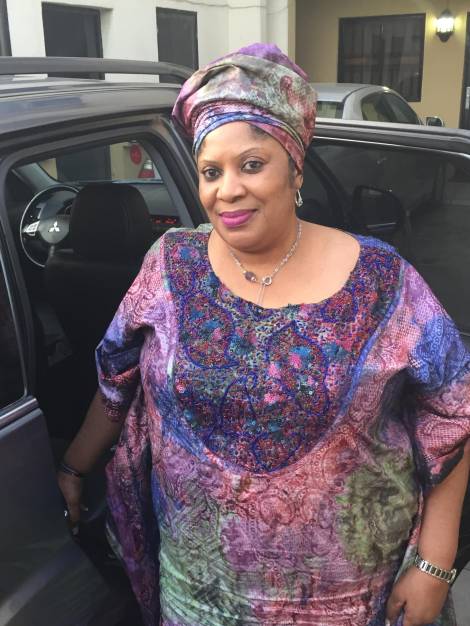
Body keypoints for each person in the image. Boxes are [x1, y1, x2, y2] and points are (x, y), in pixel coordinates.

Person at [58, 44, 470, 626]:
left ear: (295, 168)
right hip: (199, 595)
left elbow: (454, 412)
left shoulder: (382, 278)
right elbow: (115, 380)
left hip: (350, 599)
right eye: (211, 171)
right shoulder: (169, 266)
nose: (227, 189)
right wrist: (73, 468)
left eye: (251, 165)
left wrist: (435, 562)